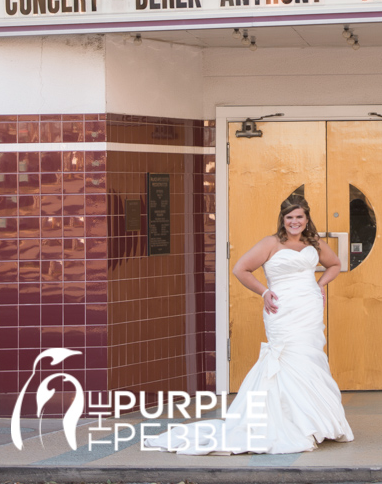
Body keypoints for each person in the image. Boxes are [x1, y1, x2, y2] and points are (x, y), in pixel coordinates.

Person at [144, 193, 354, 455]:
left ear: (307, 218)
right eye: (289, 217)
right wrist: (264, 292)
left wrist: (319, 285)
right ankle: (281, 423)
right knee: (284, 357)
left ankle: (312, 421)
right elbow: (240, 269)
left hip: (308, 309)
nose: (294, 222)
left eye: (299, 217)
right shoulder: (271, 243)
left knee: (309, 358)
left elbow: (334, 264)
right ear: (283, 219)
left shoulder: (315, 243)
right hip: (281, 308)